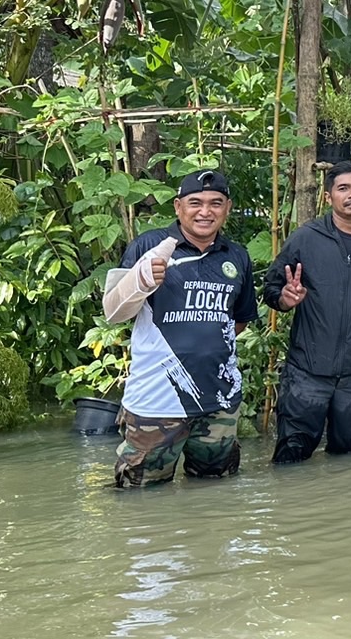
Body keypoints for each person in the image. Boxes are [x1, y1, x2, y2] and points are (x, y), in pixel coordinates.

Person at [102, 169, 255, 488]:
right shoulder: (149, 245)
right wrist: (140, 280)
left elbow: (237, 321)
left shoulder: (237, 256)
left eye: (216, 203)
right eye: (195, 202)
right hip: (156, 403)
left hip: (220, 403)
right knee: (140, 495)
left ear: (227, 208)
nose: (205, 211)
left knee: (216, 491)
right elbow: (113, 312)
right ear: (178, 206)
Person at [263, 161, 351, 462]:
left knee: (350, 461)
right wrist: (286, 298)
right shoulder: (305, 239)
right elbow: (271, 289)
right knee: (291, 459)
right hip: (306, 372)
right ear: (328, 197)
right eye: (343, 188)